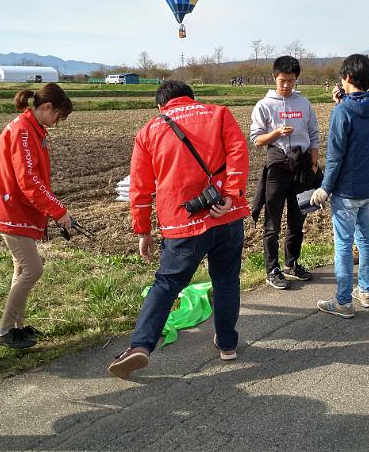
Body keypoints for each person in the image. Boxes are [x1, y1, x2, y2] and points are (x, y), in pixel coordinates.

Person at [109, 81, 249, 378]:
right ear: (191, 98)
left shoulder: (149, 131)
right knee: (225, 280)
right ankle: (227, 345)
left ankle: (140, 346)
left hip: (182, 222)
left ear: (161, 106)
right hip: (226, 214)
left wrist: (143, 230)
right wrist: (232, 193)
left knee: (167, 284)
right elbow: (239, 152)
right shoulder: (220, 114)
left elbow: (140, 188)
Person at [0, 84, 73, 350]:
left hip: (15, 209)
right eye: (58, 116)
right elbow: (29, 180)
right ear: (47, 108)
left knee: (21, 268)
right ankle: (5, 330)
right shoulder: (23, 132)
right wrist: (59, 211)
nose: (57, 123)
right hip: (11, 211)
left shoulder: (31, 128)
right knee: (33, 269)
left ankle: (17, 327)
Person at [311, 55, 369, 317]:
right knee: (366, 240)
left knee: (344, 244)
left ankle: (343, 301)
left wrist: (325, 187)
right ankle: (366, 292)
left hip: (346, 191)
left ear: (346, 78)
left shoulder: (342, 112)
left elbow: (335, 156)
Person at [250, 56, 320, 289]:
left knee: (298, 219)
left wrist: (313, 164)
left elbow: (313, 136)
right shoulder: (265, 105)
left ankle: (292, 263)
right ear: (274, 78)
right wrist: (277, 133)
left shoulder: (304, 104)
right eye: (282, 81)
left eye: (291, 81)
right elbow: (256, 139)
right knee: (272, 223)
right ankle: (272, 269)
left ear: (296, 79)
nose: (287, 85)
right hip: (277, 168)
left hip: (301, 168)